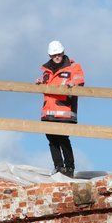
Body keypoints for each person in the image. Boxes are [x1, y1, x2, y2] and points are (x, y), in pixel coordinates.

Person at [36, 40, 84, 177]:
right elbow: (45, 85)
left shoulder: (73, 67)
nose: (56, 57)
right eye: (53, 55)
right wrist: (40, 83)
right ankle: (58, 167)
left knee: (63, 138)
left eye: (59, 54)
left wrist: (72, 83)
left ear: (63, 53)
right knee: (52, 140)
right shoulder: (46, 70)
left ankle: (69, 168)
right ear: (50, 55)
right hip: (48, 111)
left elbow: (80, 81)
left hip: (64, 111)